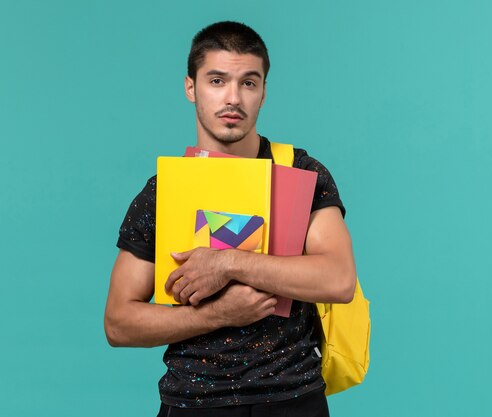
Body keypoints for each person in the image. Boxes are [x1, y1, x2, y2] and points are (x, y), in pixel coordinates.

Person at [104, 21, 356, 417]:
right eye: (217, 80)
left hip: (293, 400)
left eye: (248, 83)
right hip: (193, 403)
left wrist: (228, 263)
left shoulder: (301, 172)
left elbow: (339, 280)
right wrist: (218, 314)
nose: (233, 98)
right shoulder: (163, 190)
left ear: (263, 92)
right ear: (191, 88)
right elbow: (118, 322)